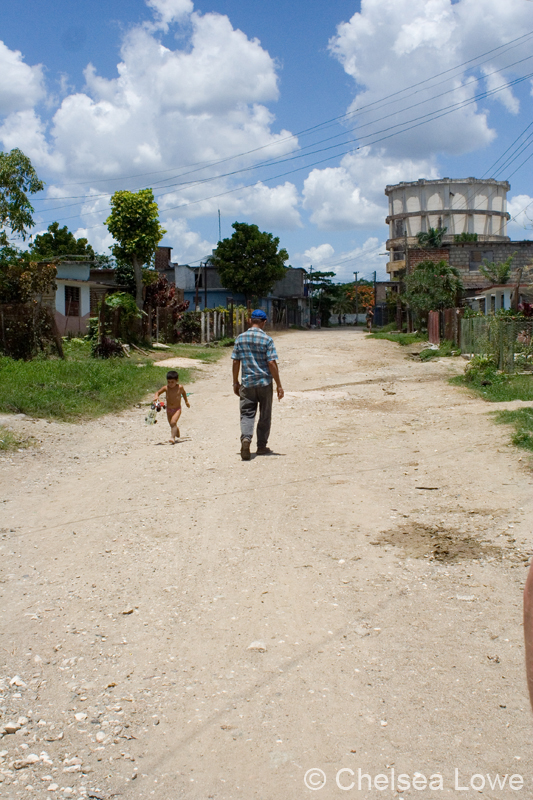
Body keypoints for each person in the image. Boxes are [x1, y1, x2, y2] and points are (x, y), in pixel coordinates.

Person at [231, 309, 284, 460]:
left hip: (247, 384)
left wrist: (235, 382)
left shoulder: (240, 339)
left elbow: (236, 361)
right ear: (264, 322)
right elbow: (271, 363)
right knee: (265, 414)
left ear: (250, 321)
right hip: (264, 383)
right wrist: (279, 384)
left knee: (247, 413)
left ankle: (246, 439)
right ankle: (261, 446)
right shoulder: (267, 340)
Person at [154, 370, 190, 444]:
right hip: (169, 409)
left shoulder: (180, 387)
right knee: (171, 424)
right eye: (168, 382)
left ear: (177, 381)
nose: (170, 384)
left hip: (177, 409)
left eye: (172, 382)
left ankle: (172, 438)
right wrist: (156, 396)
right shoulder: (166, 388)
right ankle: (176, 429)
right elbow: (158, 392)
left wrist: (186, 401)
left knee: (173, 422)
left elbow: (184, 393)